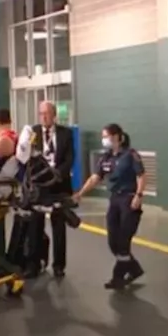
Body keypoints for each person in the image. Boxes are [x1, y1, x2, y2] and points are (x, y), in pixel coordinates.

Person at [73, 123, 146, 289]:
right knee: (113, 242)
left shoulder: (130, 155)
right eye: (103, 137)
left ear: (117, 137)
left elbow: (141, 175)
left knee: (123, 241)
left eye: (106, 136)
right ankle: (134, 269)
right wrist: (80, 193)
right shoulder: (106, 158)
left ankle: (118, 277)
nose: (104, 140)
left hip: (129, 201)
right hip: (114, 201)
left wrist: (139, 195)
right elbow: (95, 178)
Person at [31, 101, 75, 277]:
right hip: (40, 186)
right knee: (36, 225)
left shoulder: (66, 133)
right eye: (41, 113)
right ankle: (37, 262)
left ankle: (59, 265)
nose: (44, 116)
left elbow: (70, 158)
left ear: (54, 114)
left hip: (59, 185)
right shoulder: (33, 132)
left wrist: (58, 174)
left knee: (59, 226)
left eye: (47, 113)